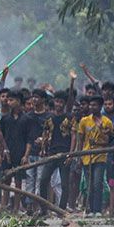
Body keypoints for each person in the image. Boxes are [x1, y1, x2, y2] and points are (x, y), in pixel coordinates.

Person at [38, 72, 78, 211]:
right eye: (57, 101)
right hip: (51, 153)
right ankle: (43, 209)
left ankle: (61, 209)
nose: (58, 104)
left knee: (65, 184)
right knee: (43, 180)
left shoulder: (69, 117)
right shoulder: (49, 117)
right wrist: (43, 149)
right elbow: (45, 133)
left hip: (65, 154)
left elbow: (74, 136)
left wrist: (71, 154)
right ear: (54, 102)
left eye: (61, 102)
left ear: (64, 103)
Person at [75, 95, 113, 216]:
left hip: (100, 157)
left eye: (94, 105)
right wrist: (79, 157)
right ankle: (90, 209)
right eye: (90, 105)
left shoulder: (106, 122)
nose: (92, 107)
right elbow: (80, 140)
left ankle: (97, 210)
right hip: (86, 157)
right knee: (89, 185)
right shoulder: (84, 121)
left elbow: (108, 141)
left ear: (100, 106)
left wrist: (98, 139)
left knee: (97, 184)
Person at [0, 90, 30, 212]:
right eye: (8, 100)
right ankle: (3, 206)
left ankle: (16, 208)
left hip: (20, 153)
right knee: (6, 179)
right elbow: (0, 137)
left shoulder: (26, 119)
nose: (8, 102)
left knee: (18, 182)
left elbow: (29, 139)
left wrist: (26, 155)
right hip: (7, 152)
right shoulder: (5, 119)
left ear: (18, 102)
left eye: (11, 100)